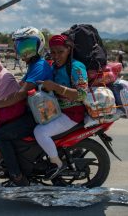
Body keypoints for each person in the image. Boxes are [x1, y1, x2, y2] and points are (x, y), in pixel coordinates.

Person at [0, 27, 53, 186]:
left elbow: (20, 94)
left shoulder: (39, 66)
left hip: (38, 114)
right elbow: (19, 85)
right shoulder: (34, 64)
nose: (25, 50)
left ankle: (17, 176)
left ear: (39, 45)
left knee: (1, 134)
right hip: (34, 110)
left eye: (29, 46)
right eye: (21, 46)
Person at [34, 35, 88, 180]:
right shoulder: (53, 66)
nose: (56, 56)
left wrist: (56, 87)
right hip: (56, 110)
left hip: (72, 114)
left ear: (68, 50)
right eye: (53, 52)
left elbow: (82, 94)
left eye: (60, 52)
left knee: (40, 132)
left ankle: (58, 164)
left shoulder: (76, 67)